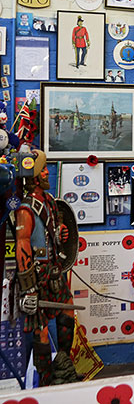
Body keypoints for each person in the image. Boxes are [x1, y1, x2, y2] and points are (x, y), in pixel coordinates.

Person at [15, 150, 80, 385]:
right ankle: (46, 379)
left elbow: (56, 231)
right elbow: (23, 245)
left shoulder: (50, 202)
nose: (46, 172)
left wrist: (61, 233)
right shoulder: (25, 210)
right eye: (42, 169)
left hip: (55, 271)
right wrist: (28, 290)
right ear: (32, 176)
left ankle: (63, 364)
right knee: (40, 329)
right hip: (37, 277)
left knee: (67, 311)